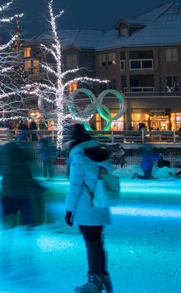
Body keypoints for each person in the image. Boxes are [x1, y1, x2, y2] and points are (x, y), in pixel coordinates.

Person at [65, 124, 114, 293]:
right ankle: (103, 276)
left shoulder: (79, 158)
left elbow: (74, 187)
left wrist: (69, 211)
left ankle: (94, 281)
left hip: (85, 207)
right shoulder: (100, 155)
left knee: (91, 243)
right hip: (100, 203)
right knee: (98, 241)